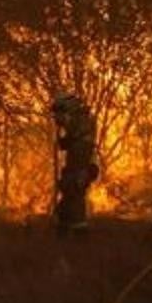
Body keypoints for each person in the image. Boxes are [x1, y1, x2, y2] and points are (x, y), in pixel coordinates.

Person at [51, 93, 97, 237]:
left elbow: (78, 163)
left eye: (59, 114)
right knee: (68, 197)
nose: (57, 119)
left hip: (80, 170)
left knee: (73, 194)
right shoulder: (81, 129)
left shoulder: (82, 138)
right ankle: (64, 231)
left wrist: (67, 180)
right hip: (79, 168)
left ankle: (78, 234)